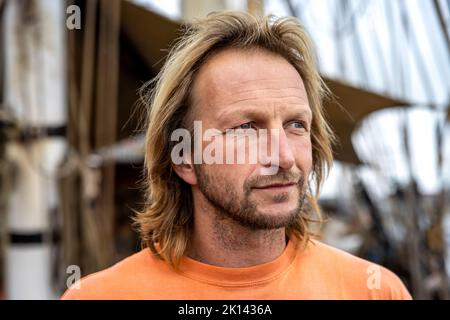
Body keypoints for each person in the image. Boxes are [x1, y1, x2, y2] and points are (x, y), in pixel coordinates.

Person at [62, 11, 412, 300]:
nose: (284, 157)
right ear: (184, 157)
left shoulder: (374, 292)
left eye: (295, 125)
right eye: (246, 128)